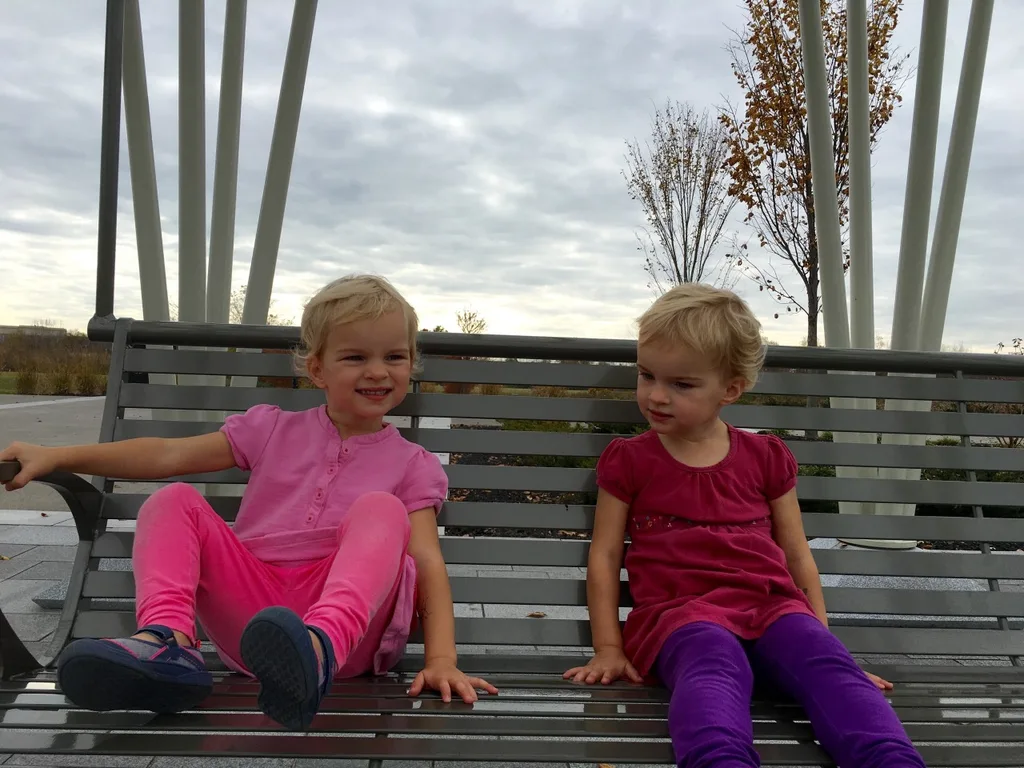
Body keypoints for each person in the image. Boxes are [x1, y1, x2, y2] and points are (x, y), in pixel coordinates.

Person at [1, 274, 498, 731]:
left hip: (350, 636)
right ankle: (168, 644)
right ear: (317, 368)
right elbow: (168, 454)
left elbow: (427, 561)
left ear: (412, 364)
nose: (378, 371)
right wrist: (56, 454)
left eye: (394, 356)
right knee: (174, 500)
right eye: (355, 357)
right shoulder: (272, 428)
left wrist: (441, 660)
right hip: (252, 622)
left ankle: (318, 649)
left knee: (381, 510)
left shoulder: (412, 463)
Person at [563, 284, 925, 767]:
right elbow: (606, 555)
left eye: (681, 384)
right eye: (646, 375)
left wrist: (824, 643)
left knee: (830, 671)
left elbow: (796, 553)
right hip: (683, 616)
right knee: (712, 665)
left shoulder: (765, 457)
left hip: (771, 606)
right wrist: (608, 647)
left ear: (730, 389)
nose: (655, 395)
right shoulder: (630, 460)